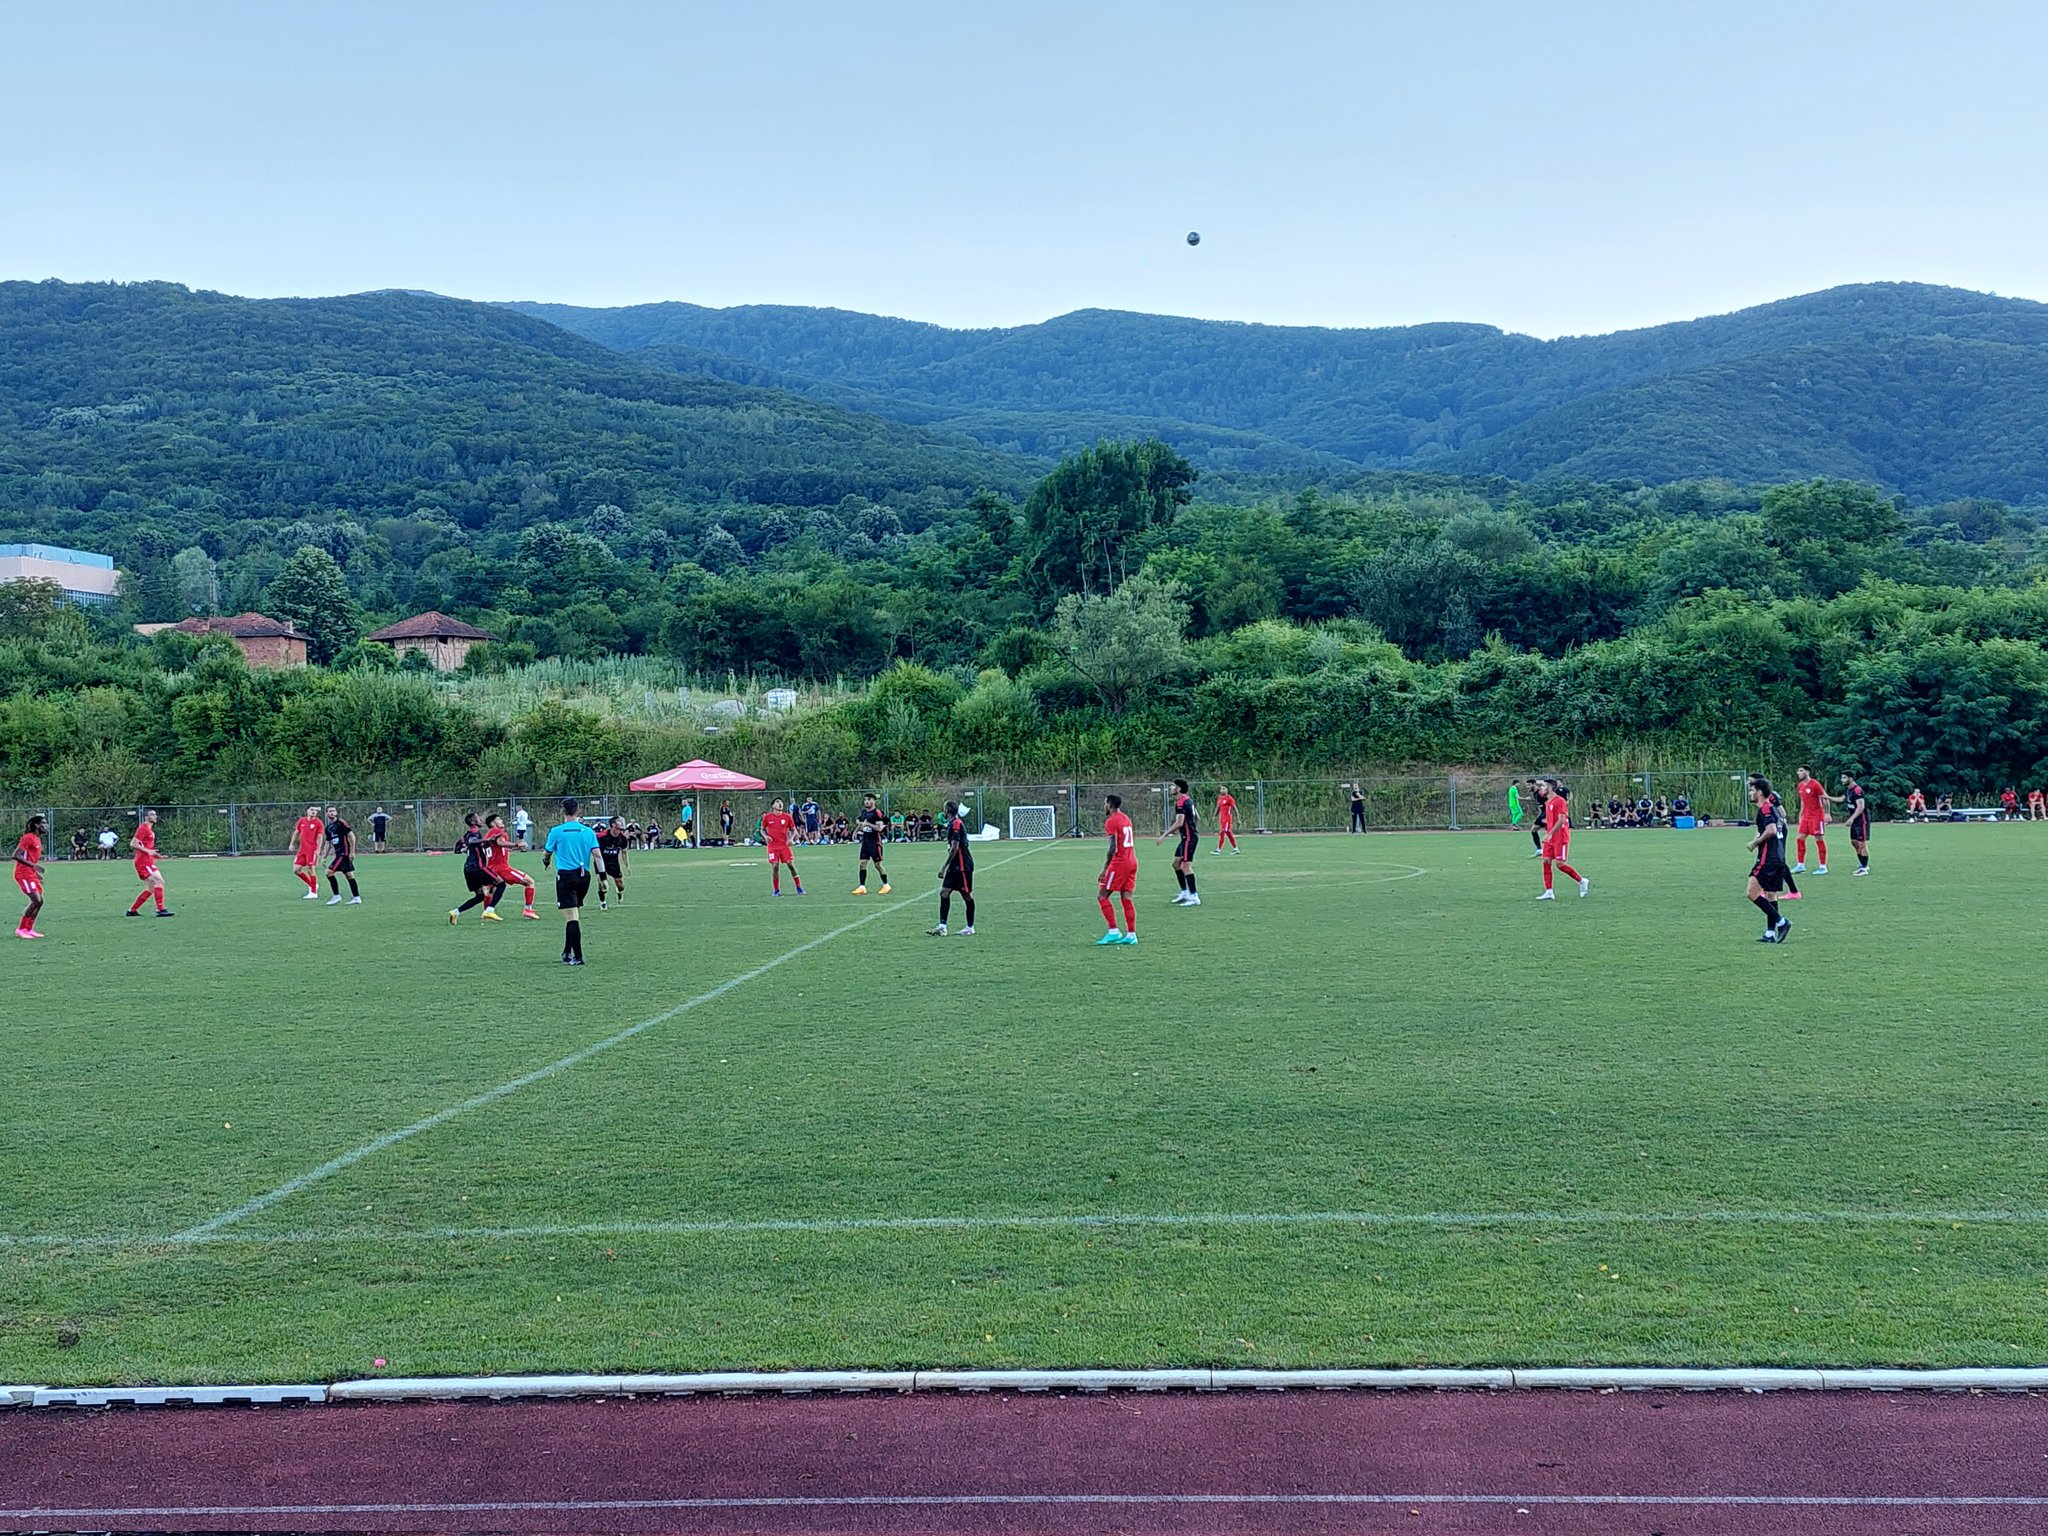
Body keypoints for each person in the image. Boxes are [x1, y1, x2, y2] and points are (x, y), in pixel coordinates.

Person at [541, 797, 599, 965]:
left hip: (566, 876)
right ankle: (567, 951)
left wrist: (545, 862)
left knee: (571, 917)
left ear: (562, 811)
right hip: (584, 877)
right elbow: (597, 855)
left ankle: (578, 956)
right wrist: (602, 877)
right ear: (578, 810)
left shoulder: (557, 831)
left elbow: (547, 854)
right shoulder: (588, 831)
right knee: (573, 913)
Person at [1746, 777, 1793, 943]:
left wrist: (1755, 842)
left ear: (1759, 792)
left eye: (1752, 790)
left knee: (1751, 893)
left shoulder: (1765, 808)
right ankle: (1770, 933)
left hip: (1768, 859)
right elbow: (1783, 830)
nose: (1749, 793)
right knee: (1770, 895)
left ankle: (1782, 922)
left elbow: (1771, 830)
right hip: (1778, 858)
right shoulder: (1774, 810)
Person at [1096, 793, 1138, 945]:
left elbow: (1113, 847)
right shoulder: (1126, 818)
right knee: (1126, 898)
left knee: (1102, 895)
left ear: (1110, 805)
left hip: (1120, 863)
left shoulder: (1111, 821)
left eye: (1105, 803)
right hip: (1132, 860)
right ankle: (1131, 935)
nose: (1104, 806)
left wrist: (1105, 869)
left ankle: (1113, 931)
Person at [1535, 778, 1588, 901]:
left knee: (1560, 864)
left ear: (1551, 787)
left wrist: (1550, 833)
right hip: (1550, 838)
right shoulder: (1548, 803)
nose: (1542, 789)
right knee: (1546, 861)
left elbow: (1562, 819)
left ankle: (1582, 881)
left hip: (1560, 837)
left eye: (1544, 786)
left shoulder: (1560, 801)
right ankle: (1549, 891)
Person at [449, 812, 507, 923]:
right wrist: (487, 840)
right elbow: (472, 841)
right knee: (501, 883)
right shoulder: (474, 832)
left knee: (480, 896)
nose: (481, 820)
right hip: (478, 867)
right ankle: (490, 910)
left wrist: (485, 844)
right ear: (473, 822)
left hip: (468, 868)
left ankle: (455, 912)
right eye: (478, 818)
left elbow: (458, 848)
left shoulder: (467, 834)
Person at [928, 799, 975, 936]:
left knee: (966, 895)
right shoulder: (953, 823)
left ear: (947, 811)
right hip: (955, 867)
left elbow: (955, 848)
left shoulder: (956, 824)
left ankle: (970, 927)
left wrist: (944, 866)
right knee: (944, 892)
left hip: (962, 867)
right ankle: (942, 927)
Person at [483, 811, 539, 918]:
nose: (502, 820)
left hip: (491, 868)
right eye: (499, 819)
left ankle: (487, 912)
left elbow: (499, 847)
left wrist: (514, 847)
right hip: (501, 868)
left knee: (490, 890)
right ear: (492, 823)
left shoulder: (489, 834)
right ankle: (528, 910)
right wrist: (517, 844)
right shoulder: (496, 831)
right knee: (530, 882)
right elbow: (500, 843)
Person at [1160, 778, 1200, 906]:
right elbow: (1196, 816)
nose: (1171, 788)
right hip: (1186, 837)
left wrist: (1164, 835)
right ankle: (1184, 892)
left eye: (1173, 786)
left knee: (1186, 866)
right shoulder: (1187, 799)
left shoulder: (1181, 802)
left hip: (1189, 838)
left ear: (1178, 789)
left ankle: (1194, 896)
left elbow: (1179, 822)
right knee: (1177, 864)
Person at [125, 808, 173, 917]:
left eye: (155, 814)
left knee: (151, 888)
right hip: (143, 861)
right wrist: (148, 851)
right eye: (152, 814)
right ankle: (160, 910)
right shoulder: (143, 828)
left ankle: (132, 910)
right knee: (159, 881)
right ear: (146, 817)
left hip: (147, 860)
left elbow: (145, 846)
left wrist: (154, 854)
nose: (155, 816)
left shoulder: (149, 829)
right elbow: (133, 843)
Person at [14, 813, 48, 939]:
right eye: (43, 823)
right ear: (36, 825)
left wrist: (36, 873)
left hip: (30, 873)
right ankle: (21, 929)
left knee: (39, 902)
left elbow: (30, 857)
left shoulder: (36, 838)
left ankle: (28, 929)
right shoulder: (28, 837)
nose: (46, 826)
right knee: (36, 900)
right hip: (23, 874)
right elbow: (16, 855)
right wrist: (33, 866)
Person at [761, 798, 803, 896]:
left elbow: (793, 830)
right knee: (775, 866)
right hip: (773, 846)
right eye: (777, 802)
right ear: (773, 806)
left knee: (790, 865)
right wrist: (765, 836)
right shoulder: (767, 817)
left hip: (784, 846)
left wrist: (791, 839)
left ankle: (799, 887)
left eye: (781, 802)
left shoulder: (787, 817)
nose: (780, 803)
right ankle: (776, 890)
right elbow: (762, 830)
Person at [1792, 767, 1830, 874]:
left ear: (1807, 772)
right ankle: (1800, 865)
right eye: (1798, 771)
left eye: (1801, 771)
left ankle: (1823, 866)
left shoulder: (1815, 784)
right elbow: (1803, 801)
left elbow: (1824, 798)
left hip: (1817, 816)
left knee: (1818, 839)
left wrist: (1827, 813)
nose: (1799, 773)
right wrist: (1801, 814)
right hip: (1806, 816)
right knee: (1800, 838)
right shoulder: (1800, 786)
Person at [853, 794, 892, 894]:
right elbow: (861, 822)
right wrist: (855, 832)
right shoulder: (864, 812)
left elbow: (879, 828)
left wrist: (868, 824)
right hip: (865, 842)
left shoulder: (877, 813)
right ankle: (862, 887)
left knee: (877, 865)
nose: (866, 801)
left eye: (869, 800)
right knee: (862, 864)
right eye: (865, 799)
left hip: (875, 842)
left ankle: (886, 885)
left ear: (874, 801)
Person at [323, 805, 361, 905]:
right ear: (327, 814)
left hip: (344, 853)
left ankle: (336, 896)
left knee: (329, 872)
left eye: (333, 811)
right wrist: (324, 857)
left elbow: (351, 836)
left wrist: (352, 851)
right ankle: (357, 898)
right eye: (329, 811)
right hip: (338, 854)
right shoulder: (328, 828)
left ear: (336, 813)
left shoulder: (341, 823)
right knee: (349, 875)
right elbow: (328, 843)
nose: (332, 813)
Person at [1838, 773, 1872, 876]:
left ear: (1851, 778)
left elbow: (1861, 807)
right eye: (1842, 777)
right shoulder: (1848, 790)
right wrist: (1826, 797)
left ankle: (1864, 868)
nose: (1842, 780)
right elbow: (1841, 799)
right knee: (1854, 842)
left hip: (1862, 820)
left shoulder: (1857, 790)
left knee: (1862, 843)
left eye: (1844, 778)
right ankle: (1862, 864)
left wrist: (1851, 819)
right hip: (1855, 821)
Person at [594, 817, 629, 909]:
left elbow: (624, 852)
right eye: (619, 821)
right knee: (603, 885)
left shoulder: (623, 838)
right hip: (600, 862)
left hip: (614, 863)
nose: (621, 822)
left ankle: (619, 893)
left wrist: (627, 866)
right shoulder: (602, 836)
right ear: (613, 824)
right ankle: (603, 902)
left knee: (621, 885)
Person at [291, 804, 325, 898]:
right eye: (312, 809)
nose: (314, 811)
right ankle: (312, 885)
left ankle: (313, 893)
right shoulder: (302, 821)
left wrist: (318, 849)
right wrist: (292, 843)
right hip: (302, 850)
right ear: (307, 811)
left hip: (312, 850)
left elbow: (320, 837)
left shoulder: (318, 823)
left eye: (315, 810)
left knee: (311, 869)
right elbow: (296, 832)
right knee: (296, 870)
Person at [1214, 785, 1239, 854]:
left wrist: (1238, 819)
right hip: (1222, 819)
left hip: (1227, 819)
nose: (1222, 790)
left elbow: (1235, 809)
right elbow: (1218, 807)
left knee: (1222, 832)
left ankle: (1218, 850)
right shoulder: (1220, 798)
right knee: (1228, 833)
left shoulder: (1229, 798)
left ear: (1227, 790)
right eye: (1221, 789)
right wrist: (1215, 815)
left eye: (1223, 788)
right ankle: (1235, 848)